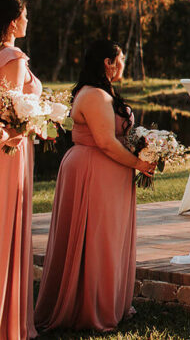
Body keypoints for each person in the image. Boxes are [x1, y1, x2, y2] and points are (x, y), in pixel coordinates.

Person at [35, 40, 155, 332]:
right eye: (121, 58)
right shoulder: (95, 96)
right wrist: (138, 164)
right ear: (108, 62)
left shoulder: (105, 93)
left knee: (108, 237)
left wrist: (145, 149)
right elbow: (104, 142)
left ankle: (111, 301)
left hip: (110, 173)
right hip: (92, 171)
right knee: (94, 238)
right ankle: (89, 307)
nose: (123, 63)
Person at [0, 0, 39, 340]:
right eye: (25, 15)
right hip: (10, 151)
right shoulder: (12, 56)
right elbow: (10, 111)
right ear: (13, 22)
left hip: (10, 146)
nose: (28, 20)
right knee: (6, 227)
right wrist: (37, 121)